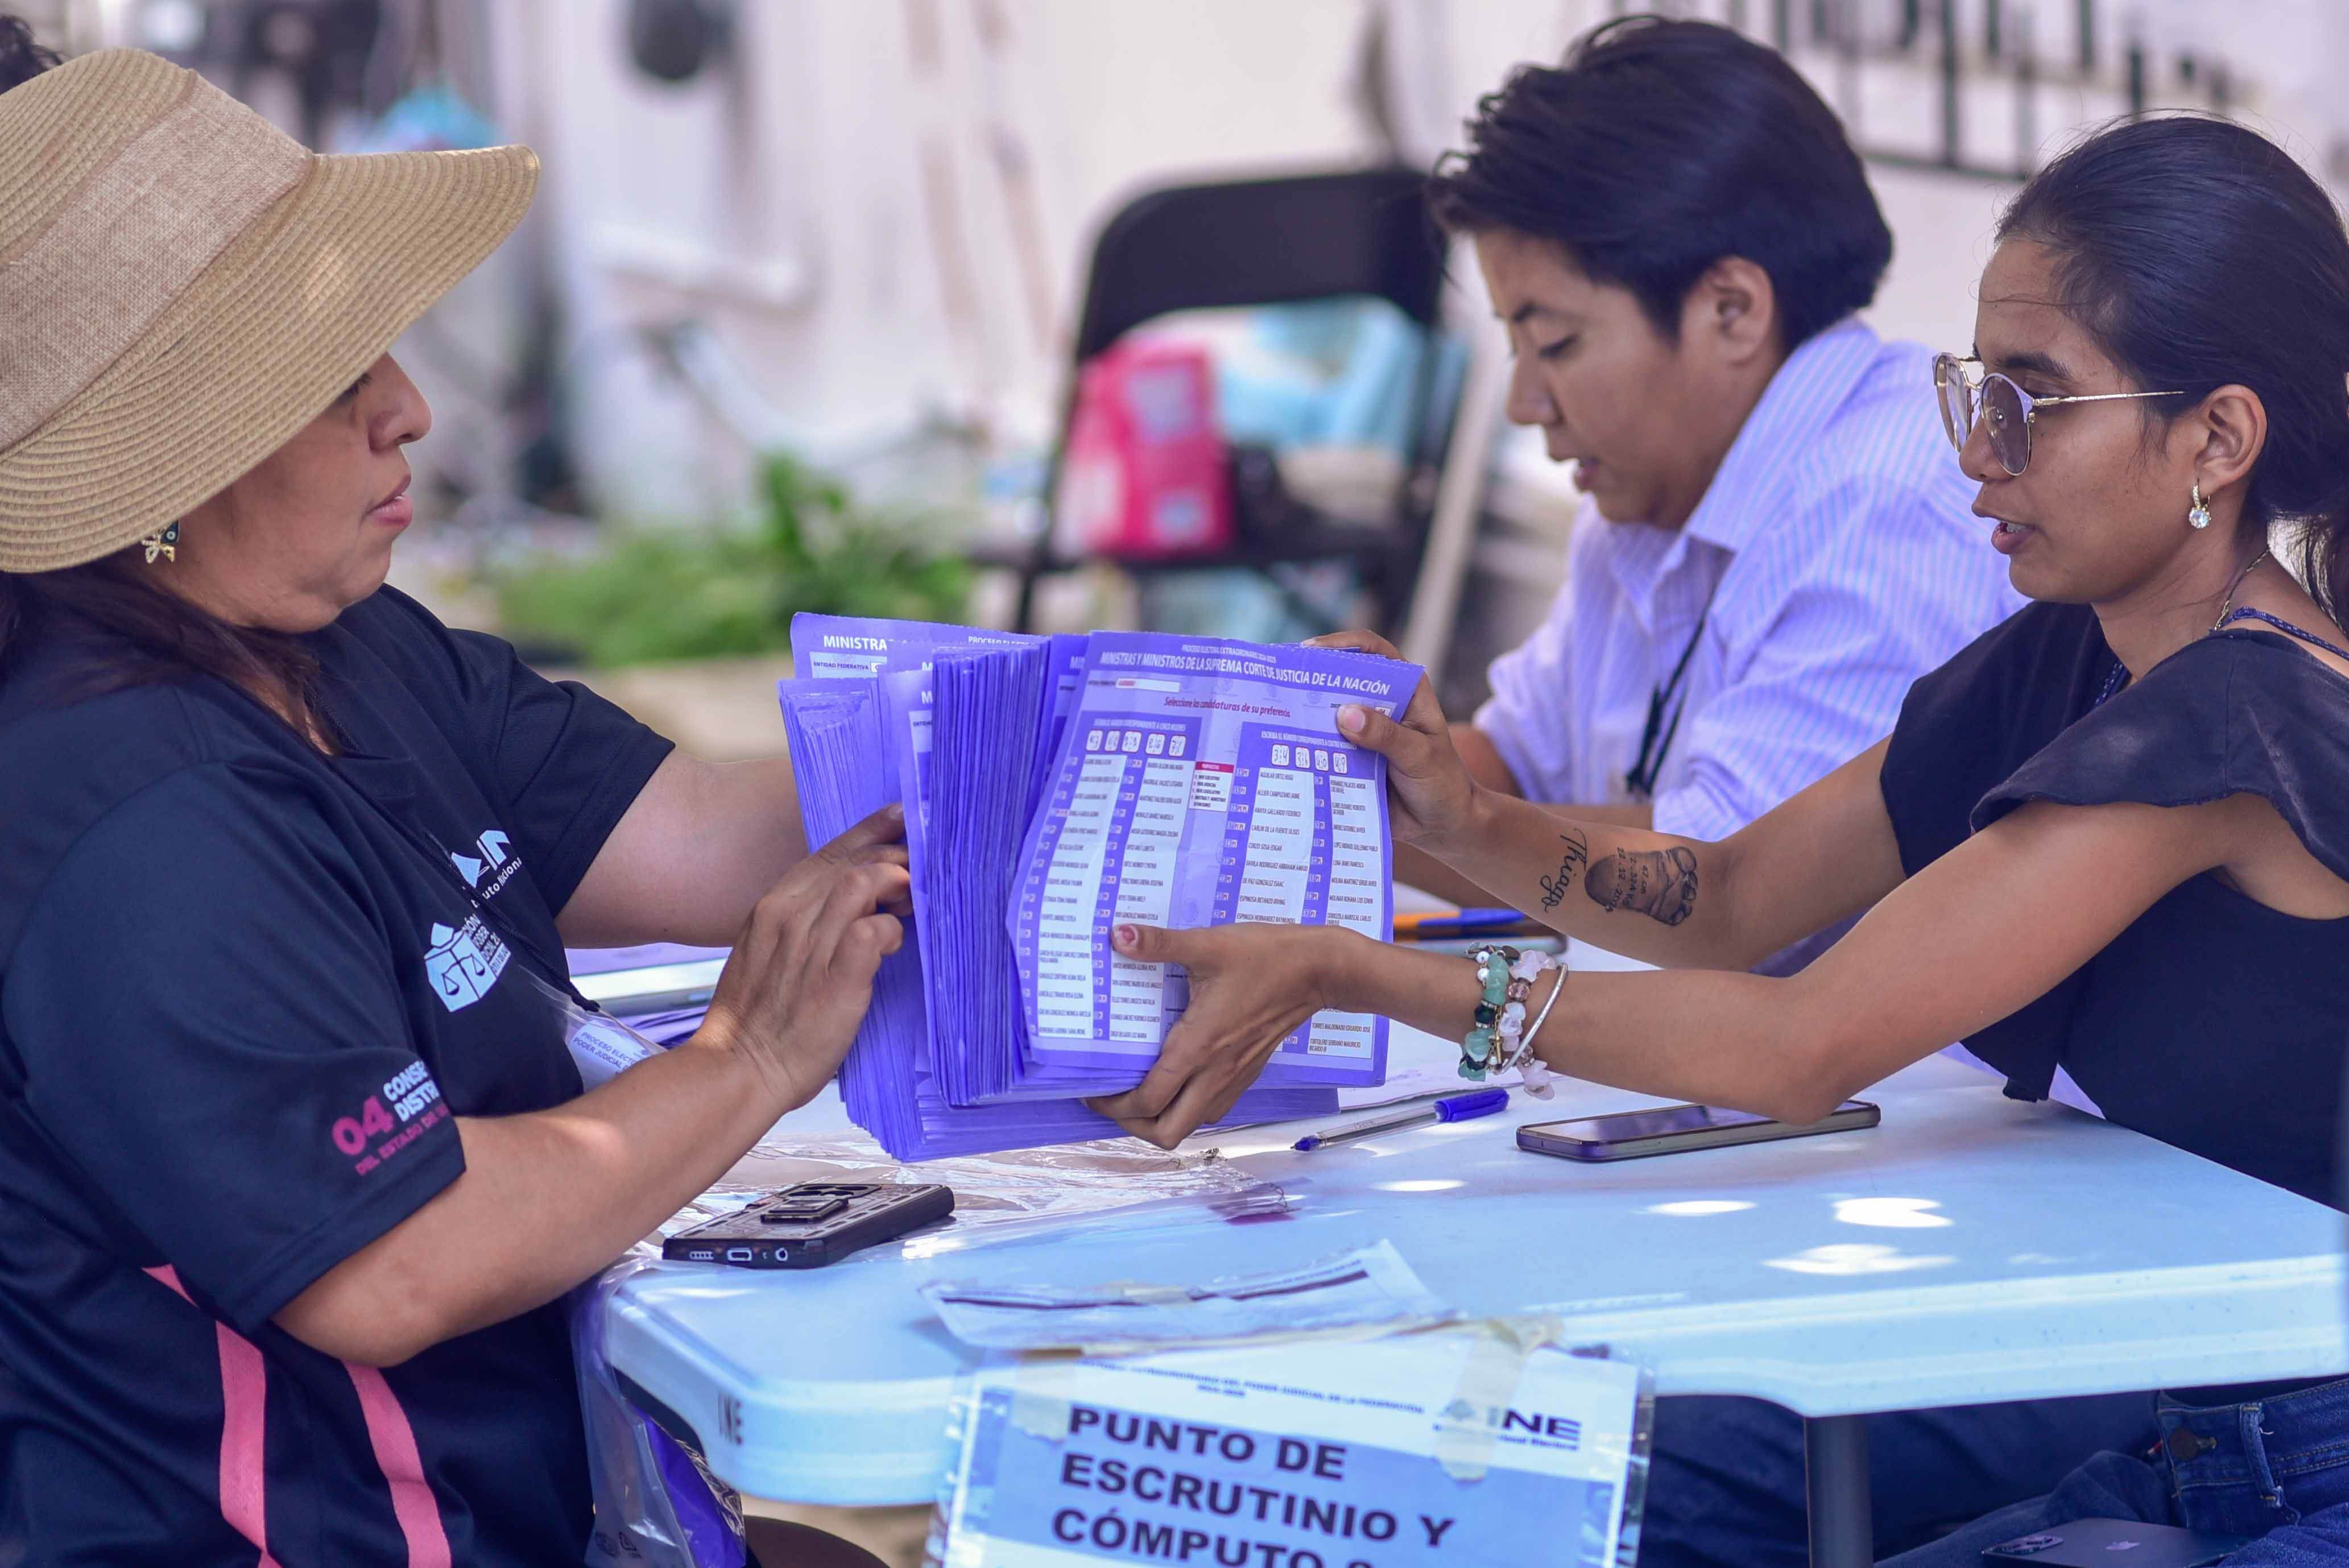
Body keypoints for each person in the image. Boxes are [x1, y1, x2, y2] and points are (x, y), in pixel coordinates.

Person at [1094, 113, 2349, 1563]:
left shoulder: (2235, 723)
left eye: (2032, 402)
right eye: (1971, 390)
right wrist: (1460, 814)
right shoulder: (2077, 653)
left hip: (2291, 1459)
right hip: (2175, 1406)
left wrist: (1360, 972)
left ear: (2216, 436)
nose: (1977, 457)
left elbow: (1798, 1043)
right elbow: (1736, 893)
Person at [0, 38, 904, 1568]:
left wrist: (1100, 729)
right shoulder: (133, 816)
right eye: (337, 378)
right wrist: (748, 1056)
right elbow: (392, 1260)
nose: (411, 408)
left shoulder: (335, 641)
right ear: (168, 454)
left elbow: (686, 828)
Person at [1399, 18, 2019, 913]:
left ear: (1731, 310)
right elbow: (1513, 766)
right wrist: (1328, 750)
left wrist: (1398, 818)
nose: (1523, 404)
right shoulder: (1646, 501)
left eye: (1557, 344)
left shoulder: (1889, 505)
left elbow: (1722, 898)